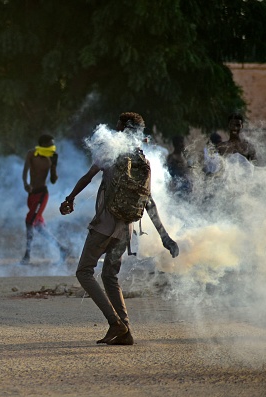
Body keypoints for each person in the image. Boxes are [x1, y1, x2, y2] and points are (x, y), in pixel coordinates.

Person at [59, 112, 179, 346]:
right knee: (110, 275)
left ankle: (115, 322)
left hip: (104, 225)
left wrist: (70, 198)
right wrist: (165, 237)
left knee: (84, 272)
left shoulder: (111, 151)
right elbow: (148, 201)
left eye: (118, 126)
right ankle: (125, 332)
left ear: (124, 128)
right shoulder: (143, 161)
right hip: (126, 231)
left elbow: (87, 177)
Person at [21, 134, 69, 264]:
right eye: (49, 144)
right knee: (37, 226)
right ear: (42, 145)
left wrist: (53, 165)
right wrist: (26, 184)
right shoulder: (31, 154)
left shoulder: (51, 158)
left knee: (29, 221)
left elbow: (53, 180)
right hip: (31, 195)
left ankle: (27, 256)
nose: (52, 147)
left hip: (42, 194)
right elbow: (25, 171)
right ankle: (62, 249)